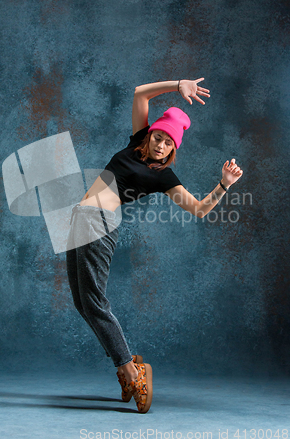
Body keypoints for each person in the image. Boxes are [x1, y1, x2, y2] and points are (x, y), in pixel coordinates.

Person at [66, 78, 243, 413]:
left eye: (168, 143)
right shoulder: (136, 141)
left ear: (173, 149)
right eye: (158, 137)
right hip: (80, 217)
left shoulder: (164, 177)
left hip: (99, 224)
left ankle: (129, 369)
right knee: (83, 304)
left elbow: (199, 209)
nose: (161, 145)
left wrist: (224, 184)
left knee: (95, 303)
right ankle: (127, 363)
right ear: (150, 135)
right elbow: (139, 93)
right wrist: (178, 85)